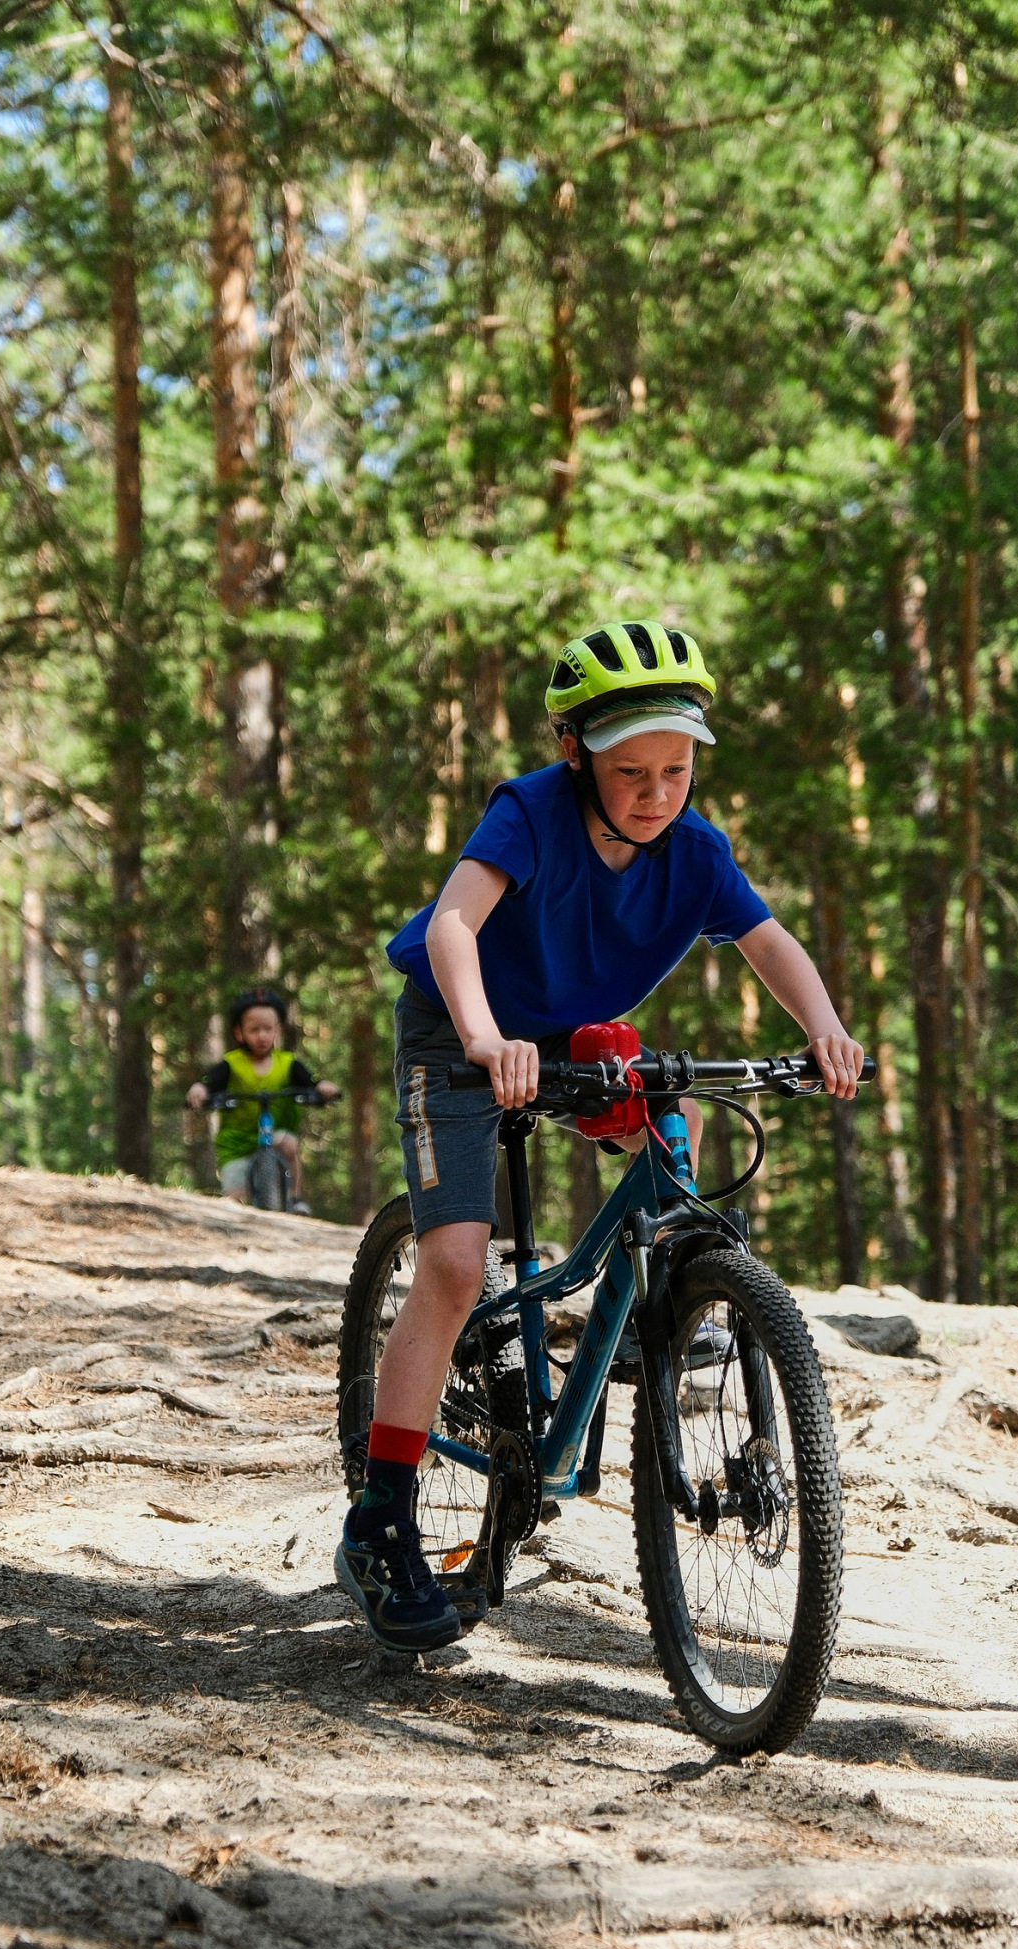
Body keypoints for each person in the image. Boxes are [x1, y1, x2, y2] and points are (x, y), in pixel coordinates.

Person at [336, 618, 866, 1654]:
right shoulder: (530, 813)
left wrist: (824, 1029)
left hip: (569, 1038)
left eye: (676, 771)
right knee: (455, 1266)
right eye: (631, 772)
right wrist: (483, 1038)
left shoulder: (693, 850)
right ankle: (381, 1521)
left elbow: (766, 940)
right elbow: (453, 925)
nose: (656, 794)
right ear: (574, 753)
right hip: (459, 1030)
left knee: (672, 1116)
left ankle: (651, 1309)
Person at [186, 986, 339, 1216]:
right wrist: (199, 1089)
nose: (262, 1036)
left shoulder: (287, 1063)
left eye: (268, 1029)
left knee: (289, 1144)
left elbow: (310, 1081)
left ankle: (294, 1198)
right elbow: (210, 1082)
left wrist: (321, 1087)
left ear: (278, 1030)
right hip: (237, 1145)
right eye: (254, 1029)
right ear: (239, 1033)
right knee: (234, 1203)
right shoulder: (232, 1063)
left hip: (273, 1136)